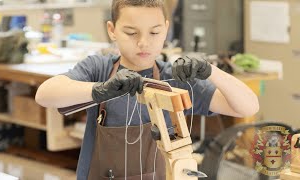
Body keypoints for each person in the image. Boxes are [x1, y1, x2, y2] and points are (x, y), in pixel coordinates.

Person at [35, 0, 259, 179]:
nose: (143, 42)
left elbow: (247, 106)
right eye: (131, 33)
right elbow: (45, 94)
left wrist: (210, 70)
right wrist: (100, 90)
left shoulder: (175, 79)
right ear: (112, 30)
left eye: (154, 33)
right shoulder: (100, 69)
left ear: (166, 29)